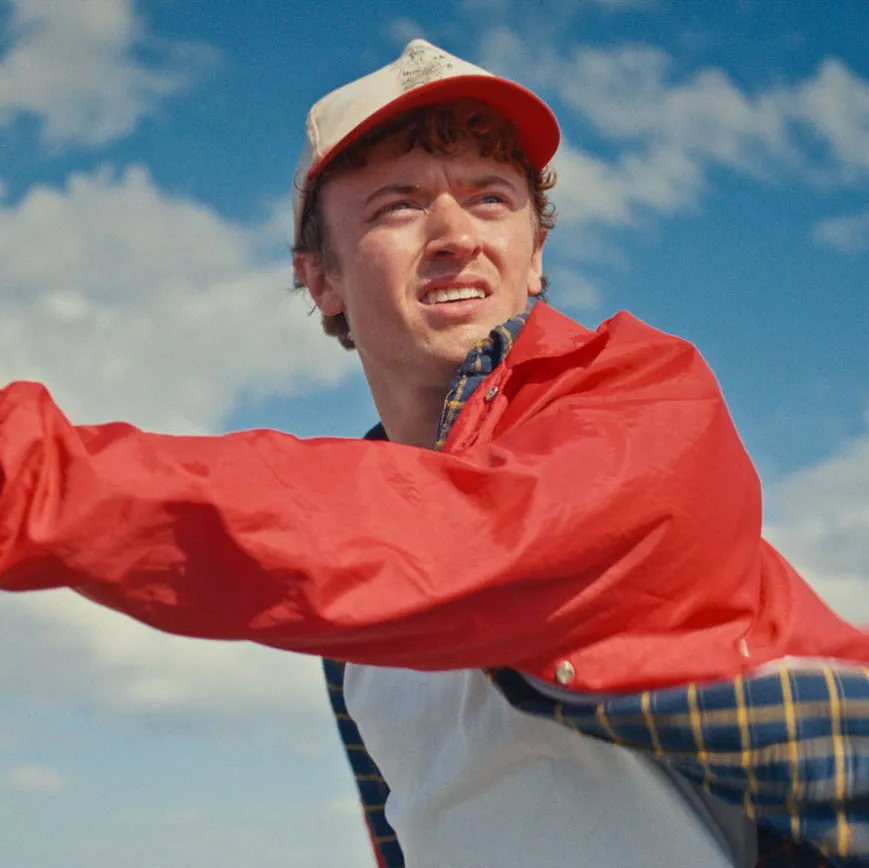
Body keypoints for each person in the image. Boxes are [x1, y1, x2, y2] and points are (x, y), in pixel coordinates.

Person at [0, 39, 867, 868]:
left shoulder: (649, 401)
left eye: (491, 197)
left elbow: (457, 536)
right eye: (399, 204)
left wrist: (30, 478)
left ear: (535, 257)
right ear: (322, 279)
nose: (457, 232)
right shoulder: (358, 624)